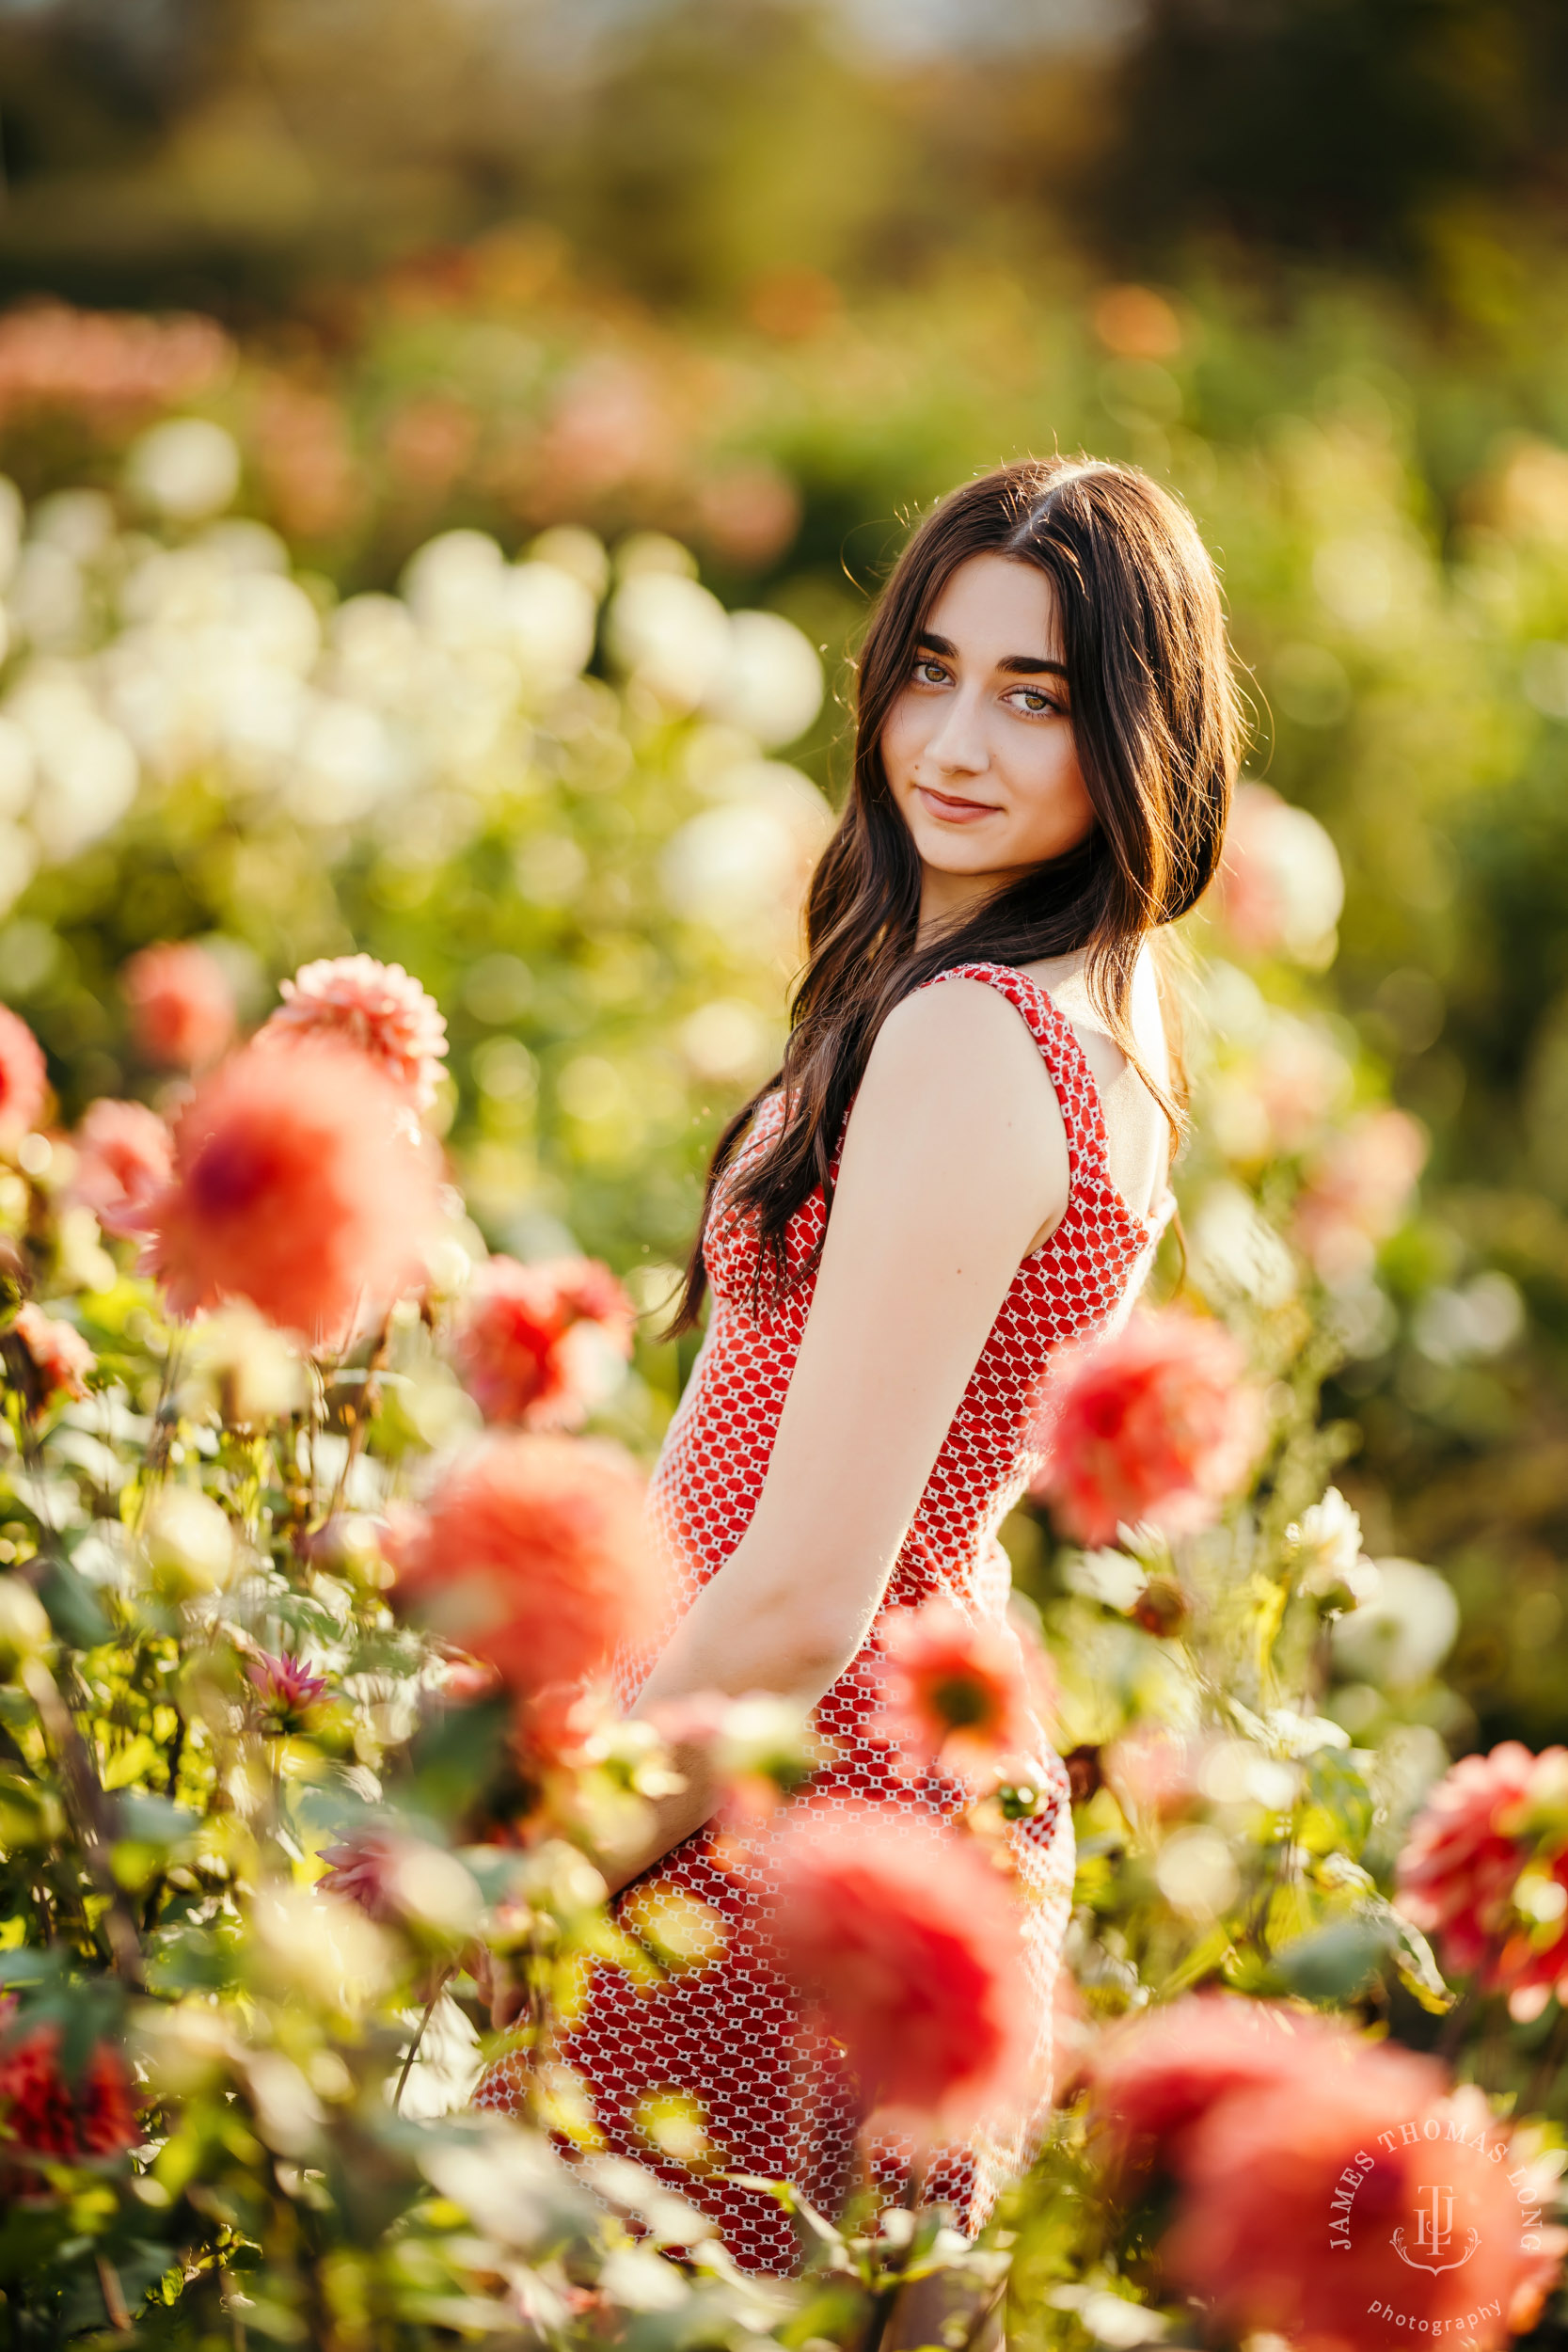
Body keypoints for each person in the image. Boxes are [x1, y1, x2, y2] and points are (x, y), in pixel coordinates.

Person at [474, 455, 1240, 2278]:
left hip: (773, 1803)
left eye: (1037, 696)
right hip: (842, 1766)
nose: (955, 740)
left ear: (1142, 730)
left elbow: (813, 1584)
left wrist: (544, 1855)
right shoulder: (1087, 1000)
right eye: (931, 669)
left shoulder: (977, 1038)